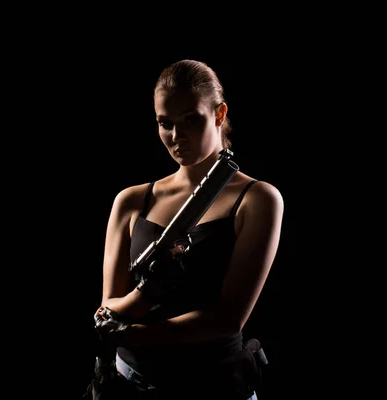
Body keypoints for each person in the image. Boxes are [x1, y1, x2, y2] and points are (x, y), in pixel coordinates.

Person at [86, 59, 284, 400]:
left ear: (219, 115)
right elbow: (108, 311)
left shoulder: (258, 199)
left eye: (191, 120)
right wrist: (147, 293)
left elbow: (227, 319)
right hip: (128, 385)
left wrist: (131, 334)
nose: (176, 137)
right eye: (165, 123)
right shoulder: (132, 201)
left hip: (214, 388)